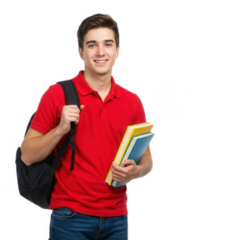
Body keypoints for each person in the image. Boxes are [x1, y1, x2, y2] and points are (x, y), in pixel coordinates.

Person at [20, 12, 154, 240]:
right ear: (81, 52)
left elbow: (148, 161)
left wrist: (136, 171)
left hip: (117, 219)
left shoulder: (132, 101)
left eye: (107, 44)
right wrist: (60, 128)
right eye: (92, 45)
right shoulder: (57, 94)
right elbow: (27, 155)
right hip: (70, 217)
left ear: (117, 50)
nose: (100, 52)